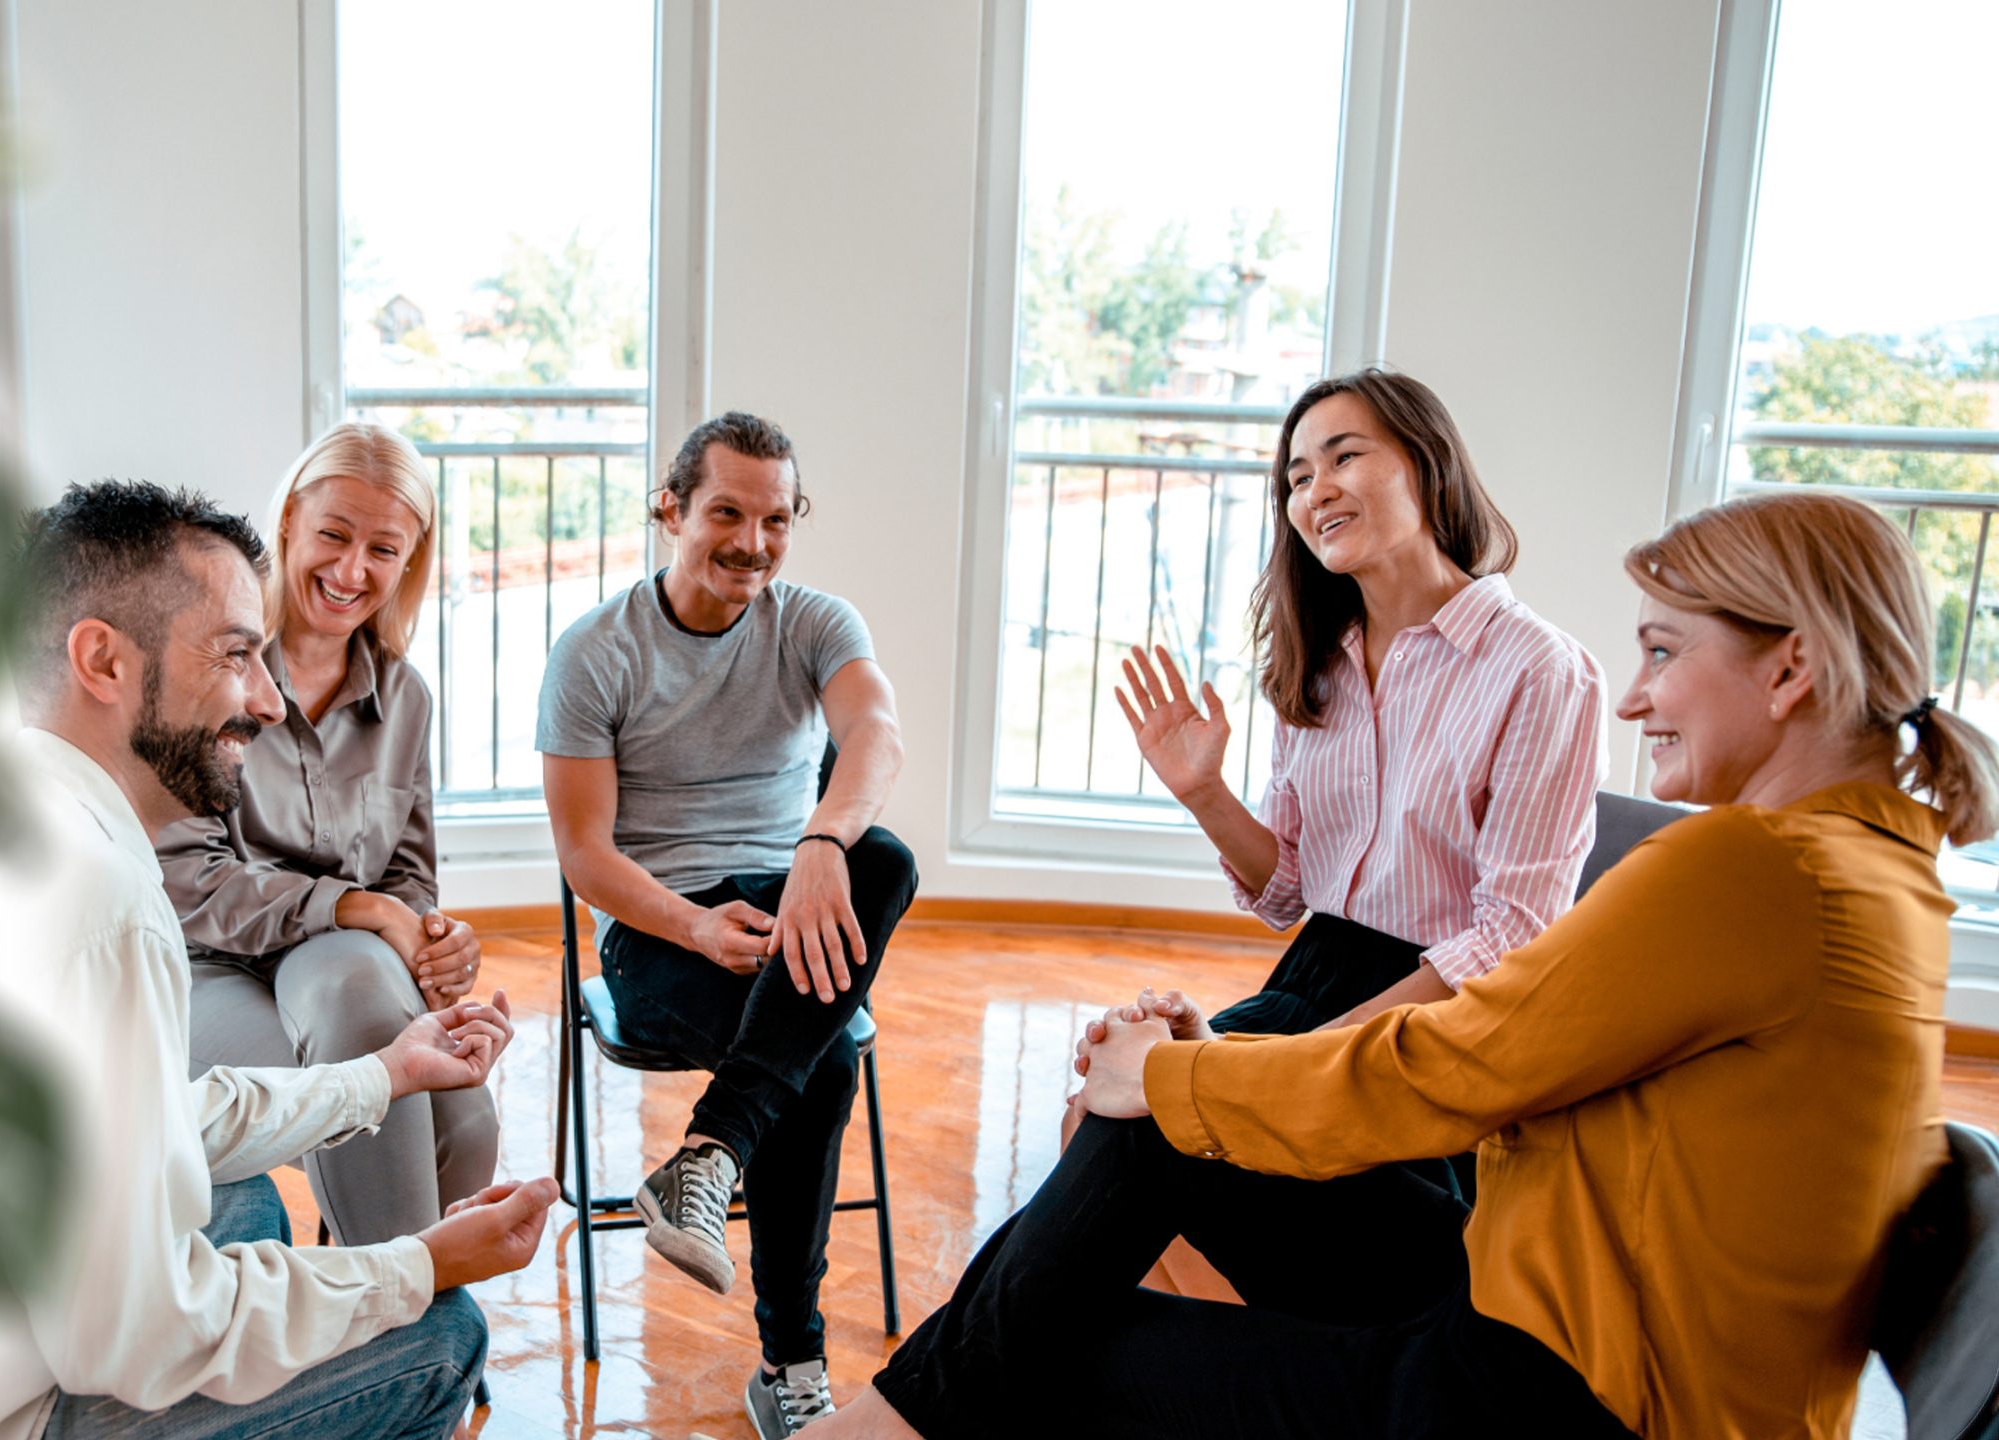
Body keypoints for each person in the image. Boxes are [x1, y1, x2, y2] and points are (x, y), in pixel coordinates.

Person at [811, 488, 1996, 1440]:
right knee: (1135, 1157)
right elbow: (1472, 1038)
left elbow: (1463, 1062)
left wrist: (1176, 1079)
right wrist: (1202, 1073)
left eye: (1662, 650)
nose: (1634, 698)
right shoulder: (1870, 869)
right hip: (1548, 1296)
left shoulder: (1753, 870)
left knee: (1046, 1346)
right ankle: (883, 1423)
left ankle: (875, 1426)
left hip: (1569, 1394)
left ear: (1789, 670)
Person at [0, 481, 552, 1440]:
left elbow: (151, 1121)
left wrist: (383, 1074)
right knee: (442, 1333)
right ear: (103, 661)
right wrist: (422, 1267)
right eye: (238, 655)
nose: (269, 699)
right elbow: (132, 1343)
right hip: (9, 1411)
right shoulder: (109, 908)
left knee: (237, 1196)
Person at [1070, 370, 1605, 1158]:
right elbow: (1287, 892)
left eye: (1343, 458)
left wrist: (1284, 1064)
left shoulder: (1540, 668)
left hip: (1436, 1026)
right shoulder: (1320, 668)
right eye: (1296, 477)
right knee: (1094, 1116)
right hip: (1311, 976)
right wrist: (1204, 794)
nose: (1316, 490)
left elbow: (1512, 937)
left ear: (1427, 463)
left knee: (1133, 1134)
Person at [539, 412, 917, 1437]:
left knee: (883, 856)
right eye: (727, 514)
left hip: (794, 899)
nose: (753, 541)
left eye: (776, 518)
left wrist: (821, 846)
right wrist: (697, 931)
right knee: (824, 1061)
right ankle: (789, 1363)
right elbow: (586, 859)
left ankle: (709, 1153)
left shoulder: (814, 622)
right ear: (669, 510)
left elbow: (875, 735)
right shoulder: (594, 654)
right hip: (660, 929)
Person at [156, 423, 499, 1247]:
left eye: (384, 550)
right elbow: (190, 882)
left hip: (352, 971)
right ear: (287, 527)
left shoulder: (405, 698)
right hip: (211, 970)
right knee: (365, 1024)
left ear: (409, 563)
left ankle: (394, 1319)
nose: (352, 572)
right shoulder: (209, 667)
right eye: (334, 536)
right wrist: (364, 913)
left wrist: (431, 939)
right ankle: (396, 1326)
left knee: (469, 1127)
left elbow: (410, 877)